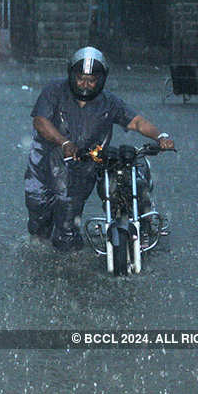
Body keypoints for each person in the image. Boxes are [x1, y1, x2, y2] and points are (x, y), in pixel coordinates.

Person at [24, 46, 175, 252]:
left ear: (101, 80)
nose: (85, 84)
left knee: (66, 230)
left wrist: (160, 136)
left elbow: (137, 122)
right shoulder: (54, 91)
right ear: (71, 75)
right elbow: (40, 122)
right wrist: (64, 143)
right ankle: (39, 258)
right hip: (44, 166)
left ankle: (69, 268)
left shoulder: (109, 102)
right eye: (80, 78)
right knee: (38, 219)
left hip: (81, 168)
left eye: (91, 80)